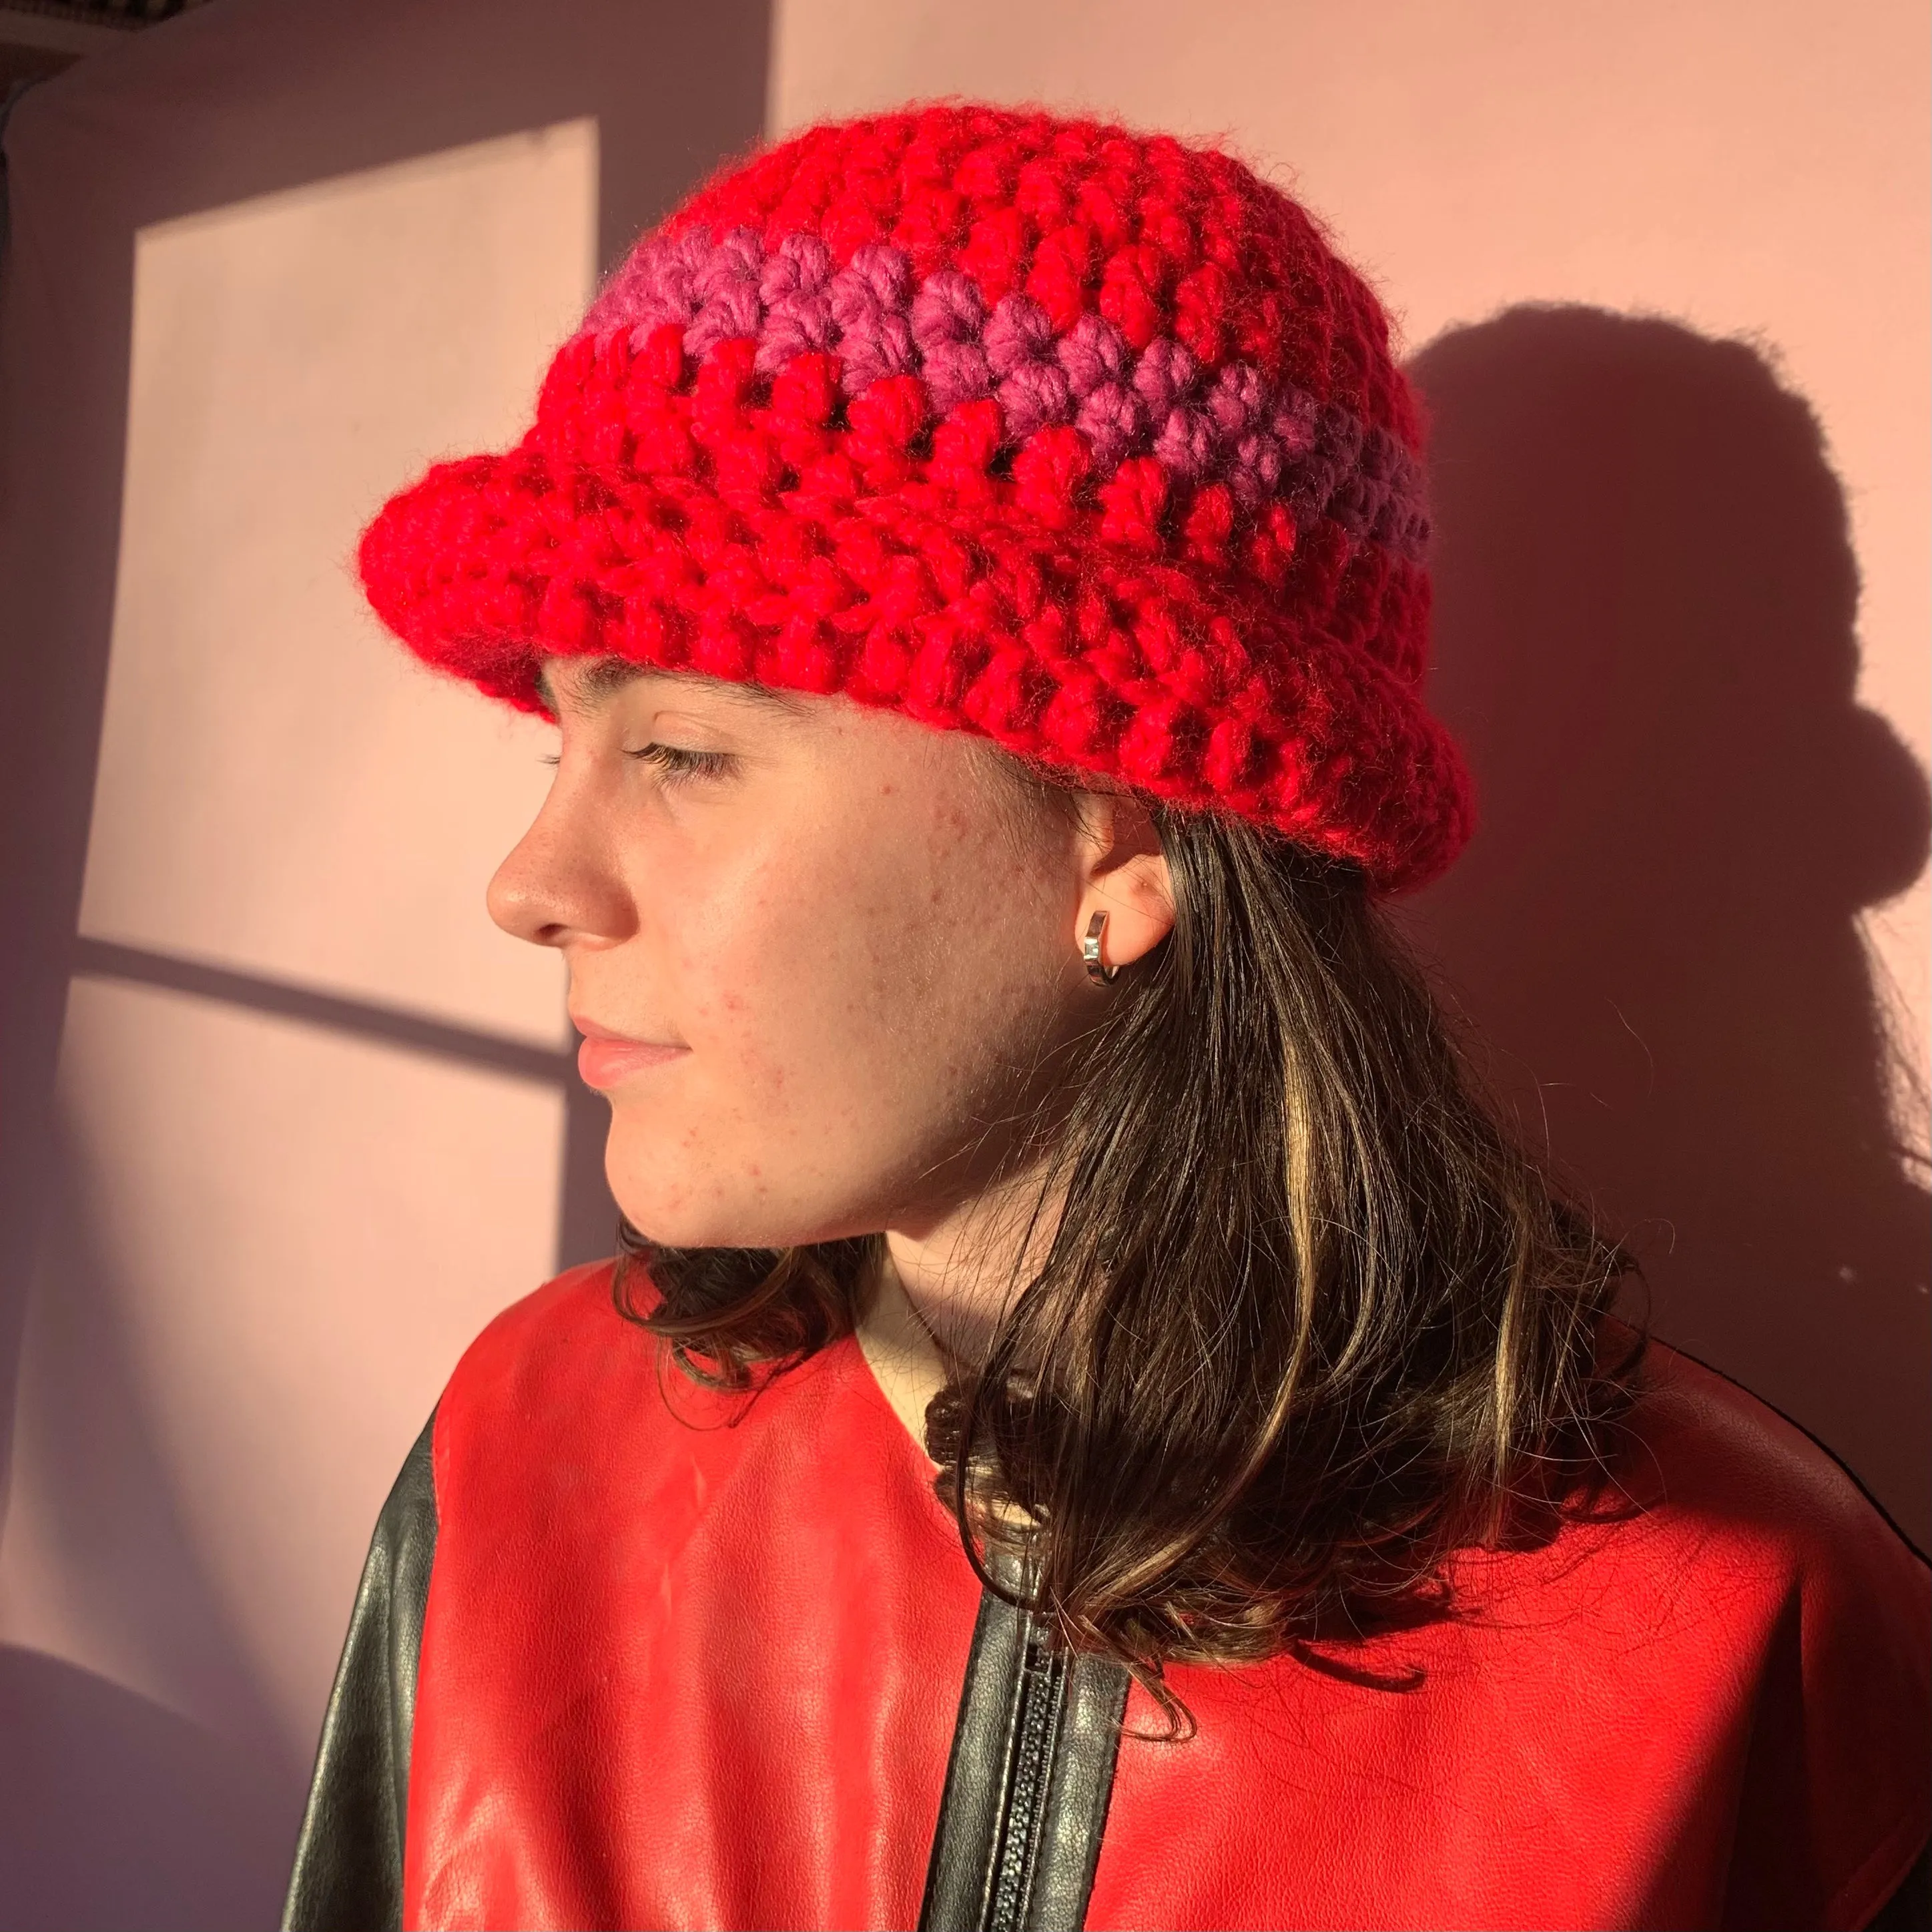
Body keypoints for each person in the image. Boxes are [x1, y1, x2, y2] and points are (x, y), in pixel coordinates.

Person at [280, 103, 1929, 1931]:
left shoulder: (1730, 1627)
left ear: (1122, 829)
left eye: (679, 750)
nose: (529, 881)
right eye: (560, 738)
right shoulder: (531, 1450)